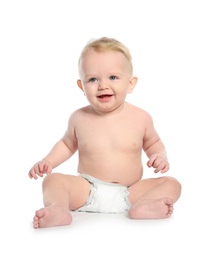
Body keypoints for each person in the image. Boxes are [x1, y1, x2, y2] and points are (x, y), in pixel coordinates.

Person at [28, 37, 182, 229]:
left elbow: (153, 143)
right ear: (81, 86)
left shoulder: (141, 118)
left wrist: (159, 155)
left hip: (131, 191)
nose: (103, 85)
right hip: (87, 189)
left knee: (172, 184)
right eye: (93, 79)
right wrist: (48, 161)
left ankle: (144, 206)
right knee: (53, 181)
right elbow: (67, 144)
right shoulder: (78, 118)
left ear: (130, 83)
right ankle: (58, 209)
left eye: (113, 77)